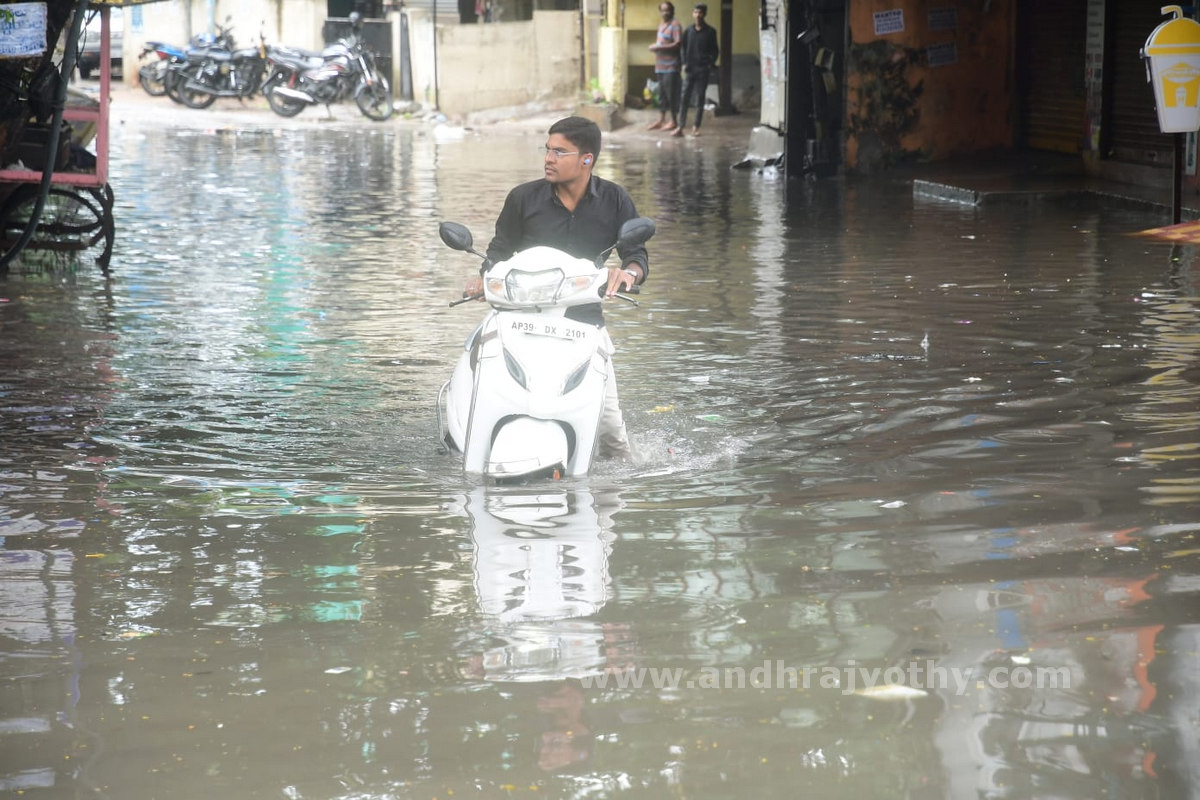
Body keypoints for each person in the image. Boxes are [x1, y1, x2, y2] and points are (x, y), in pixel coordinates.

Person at [463, 116, 648, 460]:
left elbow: (636, 255)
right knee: (488, 384)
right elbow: (498, 254)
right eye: (547, 150)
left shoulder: (615, 200)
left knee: (613, 435)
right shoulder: (522, 198)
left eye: (559, 152)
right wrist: (482, 278)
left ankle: (608, 506)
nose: (548, 158)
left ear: (587, 159)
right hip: (520, 319)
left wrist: (627, 274)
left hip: (583, 321)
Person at [674, 2, 720, 137]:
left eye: (700, 12)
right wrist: (683, 63)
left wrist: (709, 64)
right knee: (684, 99)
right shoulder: (688, 31)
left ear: (704, 14)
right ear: (693, 14)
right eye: (695, 12)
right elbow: (682, 48)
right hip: (689, 69)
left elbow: (715, 51)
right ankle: (680, 127)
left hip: (702, 70)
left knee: (700, 99)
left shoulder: (710, 32)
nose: (697, 15)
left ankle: (696, 127)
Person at [646, 2, 683, 133]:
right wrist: (655, 46)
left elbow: (678, 44)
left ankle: (674, 121)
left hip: (671, 67)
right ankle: (661, 120)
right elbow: (661, 42)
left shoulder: (675, 25)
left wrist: (658, 47)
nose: (665, 13)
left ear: (672, 11)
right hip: (660, 66)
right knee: (661, 95)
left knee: (671, 95)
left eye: (667, 10)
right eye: (663, 10)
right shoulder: (661, 25)